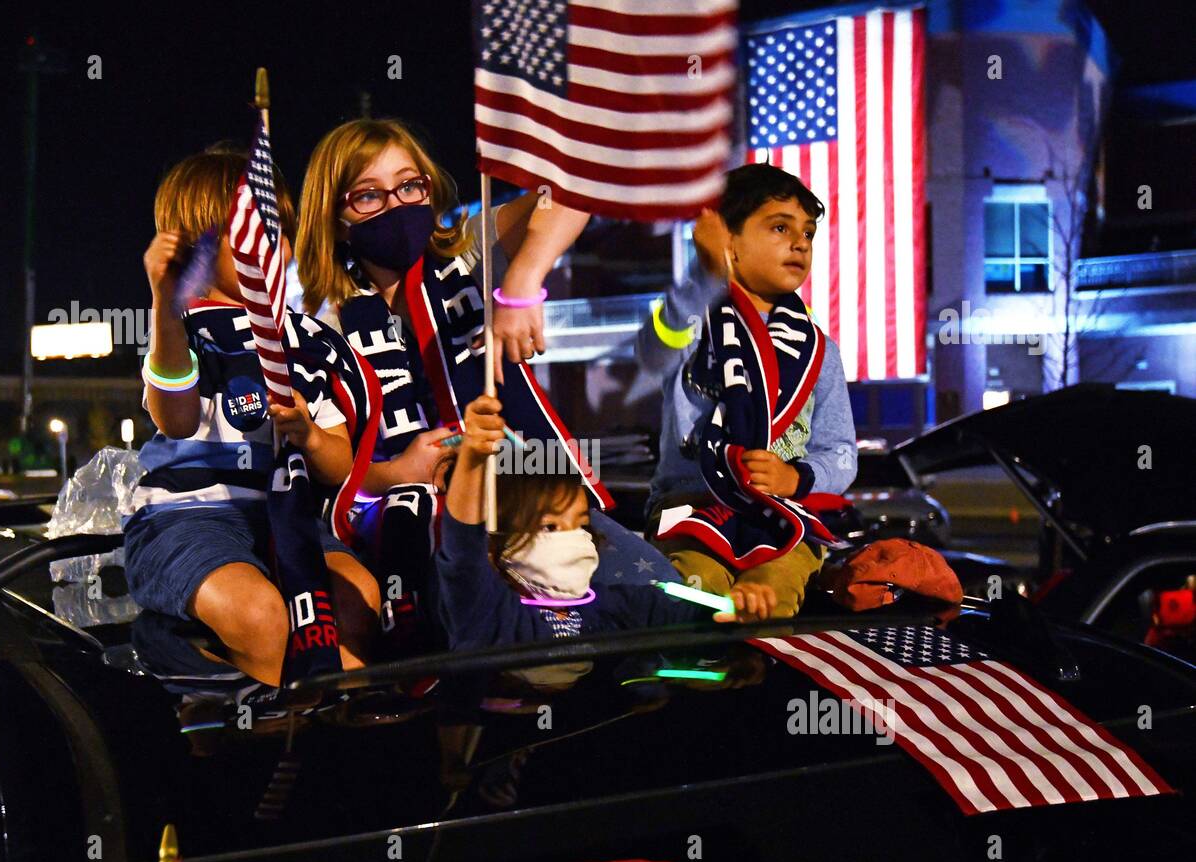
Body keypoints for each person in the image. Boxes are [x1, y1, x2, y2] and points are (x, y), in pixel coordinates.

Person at [294, 118, 677, 592]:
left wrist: (520, 283)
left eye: (410, 186)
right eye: (369, 195)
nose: (397, 205)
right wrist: (398, 471)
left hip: (532, 484)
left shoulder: (472, 250)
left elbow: (578, 189)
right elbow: (332, 465)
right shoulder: (322, 320)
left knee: (657, 590)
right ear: (336, 217)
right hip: (416, 517)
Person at [126, 146, 381, 685]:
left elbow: (340, 468)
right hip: (185, 518)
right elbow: (173, 419)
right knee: (261, 616)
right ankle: (259, 732)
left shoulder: (311, 339)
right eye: (246, 233)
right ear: (194, 246)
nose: (269, 247)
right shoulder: (180, 330)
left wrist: (311, 437)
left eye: (276, 231)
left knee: (360, 601)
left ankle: (341, 732)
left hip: (287, 517)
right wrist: (163, 304)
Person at [635, 164, 857, 618]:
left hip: (783, 516)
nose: (800, 243)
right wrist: (705, 274)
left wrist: (799, 478)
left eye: (808, 234)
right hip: (690, 506)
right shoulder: (694, 323)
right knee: (692, 591)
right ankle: (692, 678)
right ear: (728, 239)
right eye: (780, 227)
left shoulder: (819, 350)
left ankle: (750, 673)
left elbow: (841, 451)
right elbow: (653, 352)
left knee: (771, 594)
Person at [435, 395, 775, 652]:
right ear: (497, 543)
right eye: (551, 527)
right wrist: (472, 461)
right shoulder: (487, 614)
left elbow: (691, 617)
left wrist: (740, 608)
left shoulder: (608, 607)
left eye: (581, 524)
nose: (575, 539)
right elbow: (463, 550)